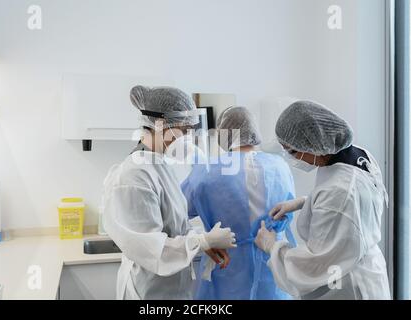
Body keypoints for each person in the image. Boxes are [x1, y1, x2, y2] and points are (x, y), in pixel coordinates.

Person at [102, 86, 237, 300]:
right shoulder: (134, 176)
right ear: (161, 124)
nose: (188, 138)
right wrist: (202, 242)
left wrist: (200, 244)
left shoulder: (160, 164)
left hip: (171, 289)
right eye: (184, 131)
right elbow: (151, 248)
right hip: (147, 292)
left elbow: (175, 228)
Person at [255, 100, 391, 300]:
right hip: (364, 267)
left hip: (347, 285)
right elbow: (357, 203)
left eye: (292, 151)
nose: (293, 158)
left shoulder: (339, 193)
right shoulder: (357, 155)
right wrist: (305, 202)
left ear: (314, 145)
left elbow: (313, 266)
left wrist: (272, 246)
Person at [182, 106, 296, 300]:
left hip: (227, 268)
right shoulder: (279, 166)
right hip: (272, 265)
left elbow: (177, 210)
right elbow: (289, 207)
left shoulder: (206, 171)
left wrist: (202, 238)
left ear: (223, 134)